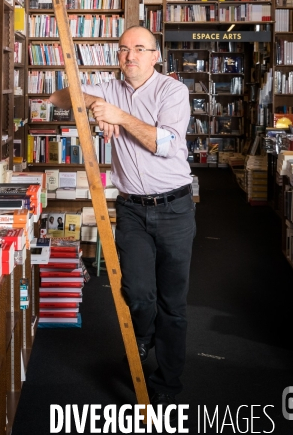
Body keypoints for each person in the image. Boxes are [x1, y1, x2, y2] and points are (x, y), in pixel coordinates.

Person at [48, 25, 196, 411]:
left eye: (140, 49)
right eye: (123, 49)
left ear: (155, 56)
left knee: (173, 304)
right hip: (131, 208)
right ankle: (143, 336)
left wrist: (120, 116)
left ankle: (167, 383)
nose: (130, 56)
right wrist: (97, 103)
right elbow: (58, 95)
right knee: (138, 293)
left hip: (176, 207)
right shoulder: (109, 88)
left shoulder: (172, 91)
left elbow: (164, 144)